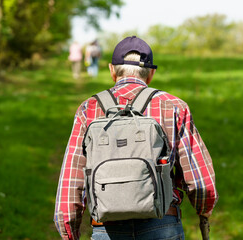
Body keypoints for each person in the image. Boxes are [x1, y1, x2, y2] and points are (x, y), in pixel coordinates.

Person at [54, 36, 218, 240]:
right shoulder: (174, 106)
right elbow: (199, 177)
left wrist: (69, 231)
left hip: (107, 228)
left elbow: (72, 179)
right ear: (151, 73)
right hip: (162, 224)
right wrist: (204, 209)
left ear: (112, 70)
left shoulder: (89, 109)